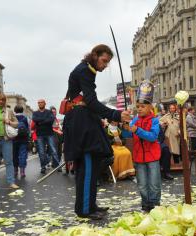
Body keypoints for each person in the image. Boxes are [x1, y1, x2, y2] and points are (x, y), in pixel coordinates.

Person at [63, 44, 131, 220]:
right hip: (81, 123)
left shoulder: (88, 70)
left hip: (84, 119)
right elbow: (91, 102)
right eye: (104, 61)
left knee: (92, 167)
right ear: (95, 55)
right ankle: (85, 209)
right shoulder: (85, 71)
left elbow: (89, 101)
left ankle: (90, 204)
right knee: (87, 168)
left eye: (107, 62)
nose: (105, 65)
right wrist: (115, 113)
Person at [124, 80, 161, 212]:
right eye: (138, 106)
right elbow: (127, 133)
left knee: (154, 184)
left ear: (150, 107)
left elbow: (153, 137)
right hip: (139, 158)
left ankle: (155, 205)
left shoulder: (155, 120)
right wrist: (125, 125)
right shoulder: (135, 120)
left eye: (142, 106)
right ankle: (145, 204)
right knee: (142, 185)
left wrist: (137, 130)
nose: (139, 109)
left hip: (152, 158)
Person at [32, 99, 60, 174]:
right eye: (39, 103)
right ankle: (43, 167)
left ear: (45, 103)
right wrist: (45, 120)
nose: (40, 104)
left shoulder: (49, 112)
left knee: (53, 150)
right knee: (41, 152)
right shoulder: (35, 113)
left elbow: (51, 119)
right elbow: (35, 119)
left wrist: (40, 122)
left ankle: (58, 166)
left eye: (41, 102)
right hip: (40, 135)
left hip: (49, 133)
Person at [13, 105, 30, 178]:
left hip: (14, 138)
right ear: (22, 110)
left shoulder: (12, 118)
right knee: (23, 154)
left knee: (14, 155)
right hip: (23, 139)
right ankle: (22, 171)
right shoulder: (25, 118)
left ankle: (15, 170)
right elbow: (28, 128)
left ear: (15, 110)